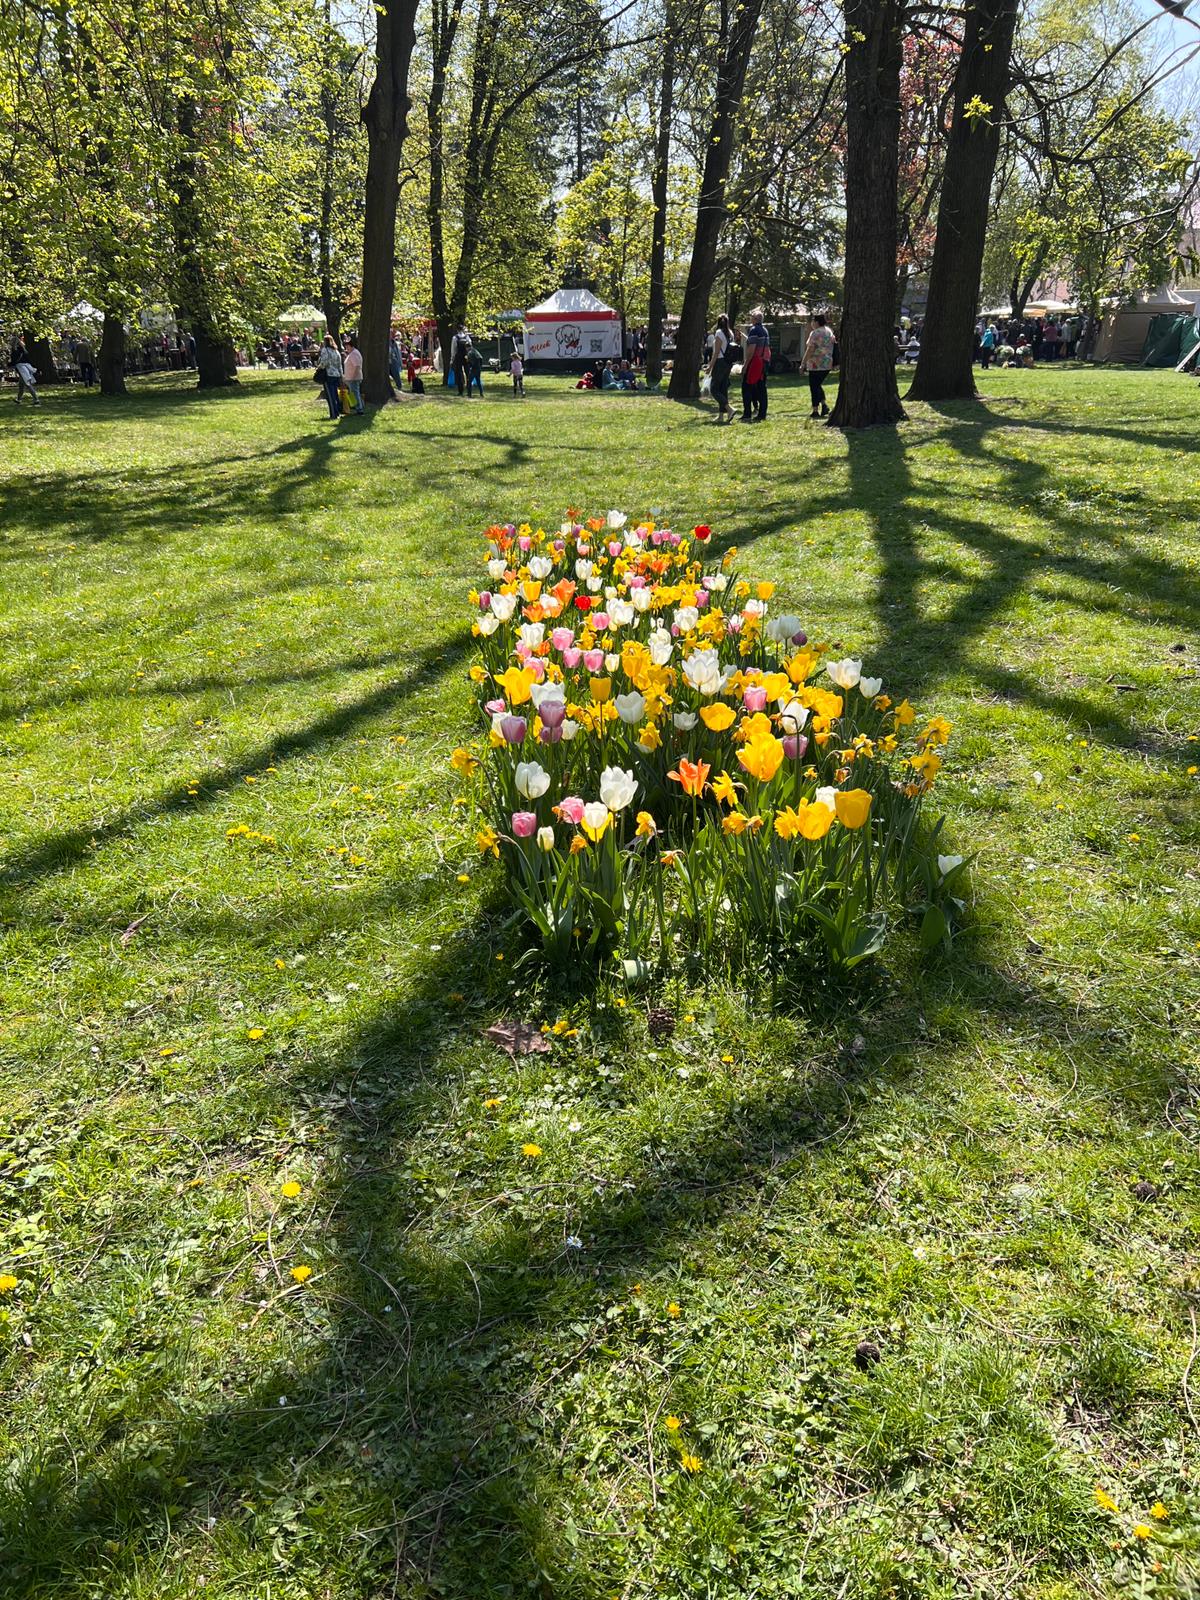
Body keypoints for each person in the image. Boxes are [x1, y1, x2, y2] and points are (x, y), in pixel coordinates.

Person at [802, 312, 835, 419]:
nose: (811, 323)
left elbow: (810, 349)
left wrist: (803, 364)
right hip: (827, 363)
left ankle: (815, 410)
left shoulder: (815, 333)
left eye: (812, 321)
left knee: (814, 386)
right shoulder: (829, 331)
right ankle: (824, 405)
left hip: (815, 364)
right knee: (817, 385)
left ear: (816, 322)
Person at [741, 313, 770, 422]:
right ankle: (762, 414)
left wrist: (745, 365)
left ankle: (747, 413)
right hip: (765, 361)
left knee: (747, 386)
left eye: (751, 317)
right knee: (762, 388)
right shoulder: (765, 330)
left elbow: (751, 349)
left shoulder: (754, 330)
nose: (750, 319)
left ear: (755, 319)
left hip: (756, 362)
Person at [706, 314, 734, 422]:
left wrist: (710, 366)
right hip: (728, 363)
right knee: (723, 389)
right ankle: (721, 416)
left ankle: (729, 409)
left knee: (714, 389)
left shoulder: (718, 333)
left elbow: (716, 352)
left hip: (720, 362)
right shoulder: (730, 333)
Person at [315, 333, 343, 420]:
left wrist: (318, 367)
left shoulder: (325, 350)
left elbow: (324, 362)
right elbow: (339, 364)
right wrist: (341, 375)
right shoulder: (336, 351)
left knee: (330, 395)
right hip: (336, 375)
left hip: (329, 375)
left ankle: (333, 414)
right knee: (335, 394)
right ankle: (338, 411)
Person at [342, 334, 364, 413]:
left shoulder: (354, 353)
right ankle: (359, 406)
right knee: (355, 393)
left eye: (347, 347)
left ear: (351, 346)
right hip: (351, 378)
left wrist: (353, 377)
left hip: (354, 378)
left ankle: (359, 409)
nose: (346, 349)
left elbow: (357, 366)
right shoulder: (351, 354)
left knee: (355, 393)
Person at [450, 324, 472, 396]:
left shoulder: (455, 338)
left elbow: (453, 349)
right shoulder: (467, 337)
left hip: (458, 356)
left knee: (459, 373)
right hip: (466, 356)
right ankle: (469, 390)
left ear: (457, 330)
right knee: (468, 372)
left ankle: (460, 390)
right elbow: (470, 347)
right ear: (463, 329)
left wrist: (452, 359)